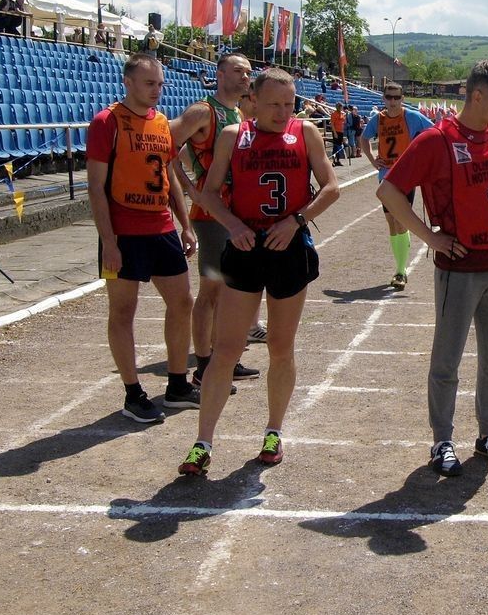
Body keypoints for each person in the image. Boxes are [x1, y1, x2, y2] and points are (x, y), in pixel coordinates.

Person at [178, 68, 339, 476]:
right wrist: (232, 225)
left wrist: (297, 221)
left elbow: (331, 187)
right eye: (274, 104)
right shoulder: (234, 136)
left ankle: (273, 431)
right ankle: (203, 441)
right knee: (226, 349)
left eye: (289, 103)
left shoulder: (306, 132)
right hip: (246, 247)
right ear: (253, 100)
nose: (283, 112)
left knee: (280, 347)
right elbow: (209, 193)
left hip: (288, 248)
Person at [377, 59, 488, 478]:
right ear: (477, 95)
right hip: (460, 269)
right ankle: (442, 440)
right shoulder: (436, 140)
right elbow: (389, 191)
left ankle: (487, 433)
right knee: (447, 360)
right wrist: (430, 237)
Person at [86, 53, 199, 424]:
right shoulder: (106, 122)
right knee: (122, 311)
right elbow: (96, 187)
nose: (156, 90)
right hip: (123, 232)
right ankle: (133, 393)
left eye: (160, 84)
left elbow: (170, 177)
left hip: (161, 228)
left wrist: (185, 224)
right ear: (128, 82)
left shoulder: (162, 122)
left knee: (182, 301)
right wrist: (109, 241)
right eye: (149, 83)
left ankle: (178, 384)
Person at [174, 52, 262, 390]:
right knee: (211, 292)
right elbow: (168, 147)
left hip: (234, 214)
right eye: (238, 71)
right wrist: (191, 189)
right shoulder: (203, 111)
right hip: (211, 216)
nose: (245, 77)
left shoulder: (237, 113)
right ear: (220, 74)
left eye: (248, 72)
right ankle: (204, 367)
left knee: (229, 293)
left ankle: (225, 360)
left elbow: (188, 154)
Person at [360, 82, 435, 290]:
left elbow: (435, 132)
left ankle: (400, 271)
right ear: (383, 98)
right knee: (392, 222)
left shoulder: (412, 116)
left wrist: (420, 158)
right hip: (385, 176)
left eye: (396, 97)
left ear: (402, 98)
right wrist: (372, 160)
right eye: (388, 97)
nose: (392, 101)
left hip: (405, 176)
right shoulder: (378, 119)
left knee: (400, 221)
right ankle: (400, 267)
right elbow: (364, 139)